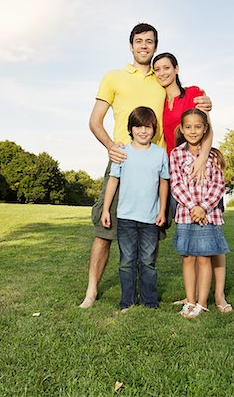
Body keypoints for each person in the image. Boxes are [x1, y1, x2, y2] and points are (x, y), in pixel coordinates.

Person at [79, 24, 211, 309]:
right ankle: (91, 292)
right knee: (105, 231)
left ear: (155, 46)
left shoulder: (160, 80)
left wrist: (205, 100)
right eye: (139, 41)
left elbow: (186, 103)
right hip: (122, 163)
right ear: (131, 46)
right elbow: (95, 121)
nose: (144, 46)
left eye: (149, 42)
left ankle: (185, 295)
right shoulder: (113, 77)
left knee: (157, 230)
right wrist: (112, 148)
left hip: (158, 166)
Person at [153, 52, 232, 312]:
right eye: (158, 69)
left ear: (177, 69)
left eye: (167, 67)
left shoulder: (194, 93)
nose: (162, 73)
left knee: (211, 246)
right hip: (181, 176)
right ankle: (192, 297)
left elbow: (207, 124)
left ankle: (217, 297)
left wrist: (203, 159)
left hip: (203, 171)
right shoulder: (158, 101)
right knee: (190, 250)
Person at [101, 107, 169, 311]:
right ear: (130, 129)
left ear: (154, 129)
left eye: (147, 127)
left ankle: (150, 302)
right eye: (138, 126)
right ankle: (127, 302)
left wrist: (162, 210)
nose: (143, 131)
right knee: (126, 261)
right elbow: (113, 180)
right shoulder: (122, 152)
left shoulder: (160, 153)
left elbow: (164, 182)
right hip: (126, 218)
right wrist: (106, 209)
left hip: (150, 218)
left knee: (147, 261)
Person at [170, 109, 230, 318]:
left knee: (204, 258)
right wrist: (192, 207)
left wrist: (203, 207)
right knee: (188, 258)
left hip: (208, 215)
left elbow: (218, 186)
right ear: (182, 129)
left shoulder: (212, 155)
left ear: (205, 129)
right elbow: (176, 185)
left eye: (198, 127)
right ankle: (190, 301)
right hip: (186, 214)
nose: (193, 131)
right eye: (188, 127)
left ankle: (202, 303)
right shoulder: (176, 154)